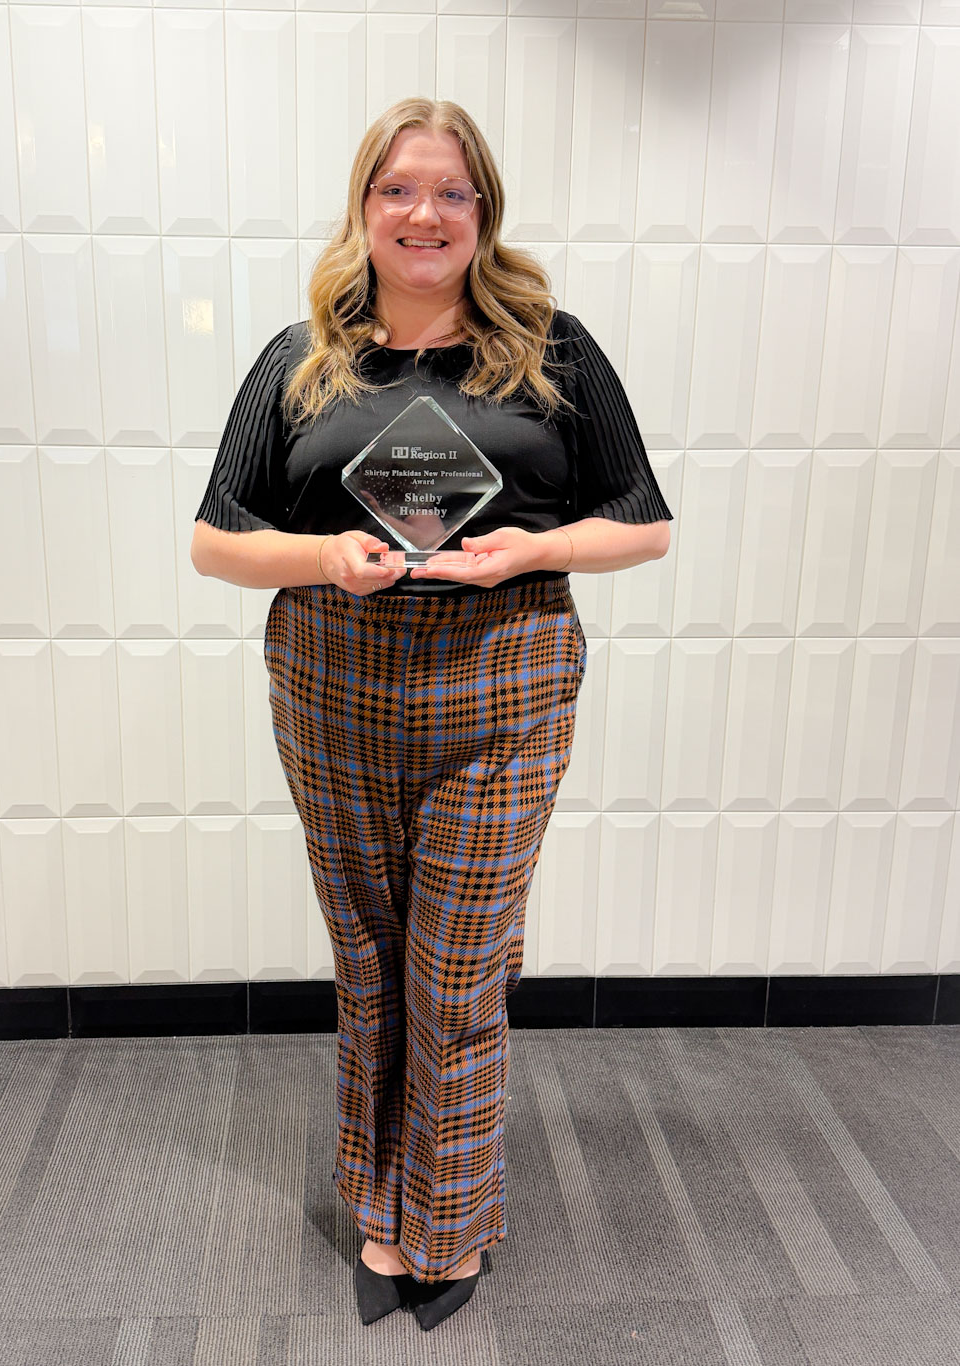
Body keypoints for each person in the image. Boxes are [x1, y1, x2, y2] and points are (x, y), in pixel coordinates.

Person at [191, 96, 673, 1331]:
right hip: (333, 680)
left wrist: (527, 548)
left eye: (452, 193)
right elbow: (215, 539)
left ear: (483, 213)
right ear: (366, 208)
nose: (425, 213)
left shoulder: (553, 351)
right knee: (370, 957)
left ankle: (443, 1223)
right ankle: (378, 1201)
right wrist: (319, 560)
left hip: (502, 679)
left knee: (455, 967)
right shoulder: (300, 361)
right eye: (401, 189)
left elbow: (645, 520)